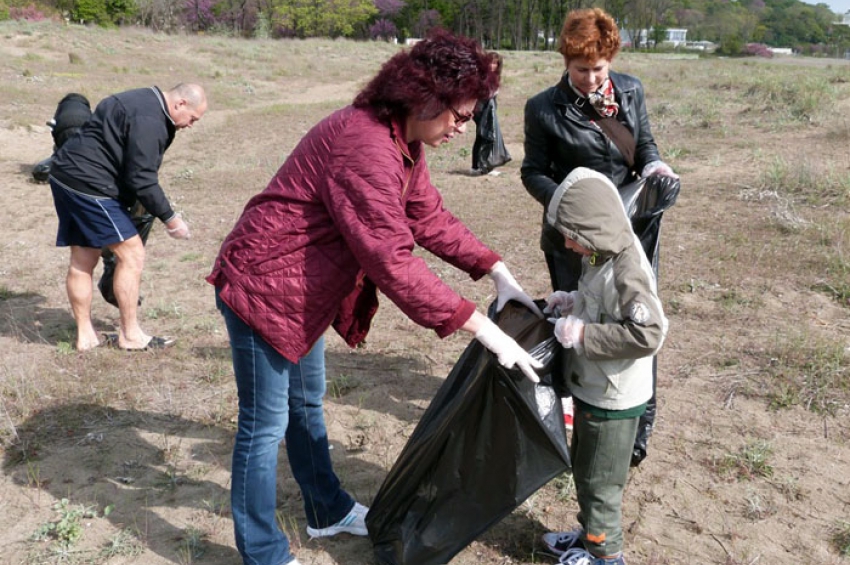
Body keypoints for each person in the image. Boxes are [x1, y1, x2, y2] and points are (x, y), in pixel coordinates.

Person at [206, 29, 544, 565]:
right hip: (263, 287)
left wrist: (495, 270)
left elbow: (427, 216)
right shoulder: (364, 145)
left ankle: (325, 510)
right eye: (460, 116)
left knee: (305, 404)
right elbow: (391, 258)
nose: (464, 128)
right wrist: (483, 328)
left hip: (303, 293)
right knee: (263, 427)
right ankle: (263, 553)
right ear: (426, 98)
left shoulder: (402, 141)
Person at [521, 7, 678, 464]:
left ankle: (638, 422)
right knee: (576, 316)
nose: (591, 79)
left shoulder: (630, 91)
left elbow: (643, 145)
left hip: (629, 229)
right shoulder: (542, 108)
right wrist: (568, 207)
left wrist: (655, 166)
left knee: (633, 315)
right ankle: (577, 408)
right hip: (572, 234)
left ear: (611, 61)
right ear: (565, 62)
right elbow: (533, 172)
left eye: (599, 69)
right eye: (580, 69)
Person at [540, 167, 668, 565]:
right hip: (594, 388)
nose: (566, 242)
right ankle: (588, 537)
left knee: (601, 485)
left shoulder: (627, 269)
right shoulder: (600, 254)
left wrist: (583, 335)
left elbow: (649, 333)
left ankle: (605, 554)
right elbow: (600, 302)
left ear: (594, 225)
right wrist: (572, 302)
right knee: (586, 471)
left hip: (614, 400)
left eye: (572, 233)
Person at [48, 83, 207, 351]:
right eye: (192, 118)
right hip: (90, 184)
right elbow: (142, 178)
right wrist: (171, 219)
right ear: (180, 104)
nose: (190, 125)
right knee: (132, 254)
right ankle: (130, 335)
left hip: (65, 174)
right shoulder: (150, 120)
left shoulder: (141, 98)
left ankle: (86, 337)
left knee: (83, 258)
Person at [470, 53, 511, 176]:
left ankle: (486, 165)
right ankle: (476, 166)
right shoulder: (481, 76)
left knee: (487, 136)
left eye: (495, 63)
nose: (492, 65)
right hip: (480, 109)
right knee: (482, 135)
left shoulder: (495, 77)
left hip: (489, 110)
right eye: (490, 62)